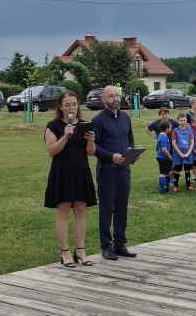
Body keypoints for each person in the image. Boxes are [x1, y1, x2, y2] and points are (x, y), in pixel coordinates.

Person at [44, 91, 97, 268]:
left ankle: (80, 250)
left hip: (81, 171)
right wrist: (65, 136)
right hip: (62, 173)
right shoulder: (53, 126)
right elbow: (51, 151)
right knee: (63, 211)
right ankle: (65, 252)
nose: (71, 108)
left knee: (81, 210)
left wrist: (91, 140)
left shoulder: (84, 125)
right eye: (67, 105)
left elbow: (91, 152)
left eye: (74, 104)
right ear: (61, 107)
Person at [93, 85, 136, 260]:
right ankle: (106, 246)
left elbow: (130, 141)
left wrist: (132, 153)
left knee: (122, 207)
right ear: (103, 99)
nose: (115, 99)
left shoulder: (126, 117)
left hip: (124, 170)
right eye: (111, 96)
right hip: (107, 171)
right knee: (106, 209)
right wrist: (111, 157)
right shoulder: (98, 120)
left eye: (117, 95)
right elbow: (93, 148)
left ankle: (120, 243)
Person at [172, 113, 194, 192]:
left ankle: (188, 185)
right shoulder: (175, 131)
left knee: (187, 170)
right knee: (177, 170)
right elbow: (173, 143)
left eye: (184, 120)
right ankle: (175, 186)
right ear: (178, 121)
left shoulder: (190, 130)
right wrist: (180, 153)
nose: (183, 122)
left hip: (188, 153)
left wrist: (188, 153)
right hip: (178, 154)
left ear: (186, 121)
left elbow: (192, 142)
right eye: (181, 120)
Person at [156, 120, 174, 193]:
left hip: (163, 157)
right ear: (167, 129)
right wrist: (169, 156)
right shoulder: (163, 136)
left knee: (167, 172)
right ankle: (163, 189)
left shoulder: (163, 135)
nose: (171, 129)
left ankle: (166, 186)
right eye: (170, 127)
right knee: (163, 173)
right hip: (163, 158)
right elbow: (164, 149)